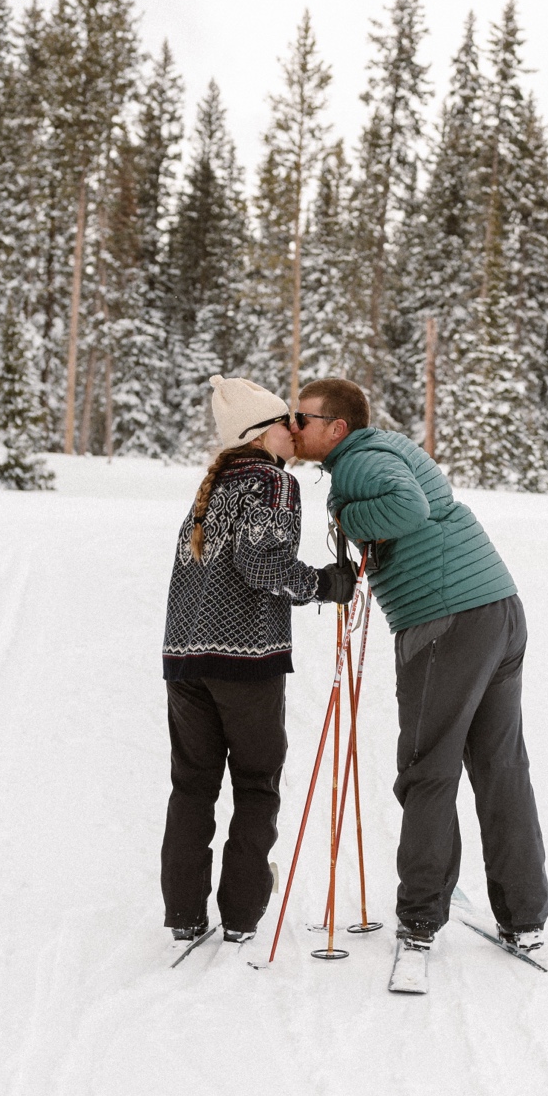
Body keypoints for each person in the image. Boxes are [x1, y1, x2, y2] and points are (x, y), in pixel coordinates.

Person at [279, 376, 548, 970]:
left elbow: (409, 507)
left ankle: (421, 919)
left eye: (302, 417)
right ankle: (524, 918)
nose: (292, 426)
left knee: (428, 770)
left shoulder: (355, 466)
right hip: (498, 608)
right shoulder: (390, 446)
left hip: (445, 621)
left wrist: (349, 518)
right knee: (501, 768)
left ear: (336, 429)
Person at [160, 376, 356, 947]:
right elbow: (262, 565)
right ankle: (243, 915)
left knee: (192, 788)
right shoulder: (272, 484)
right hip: (246, 660)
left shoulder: (212, 484)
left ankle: (184, 914)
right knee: (256, 785)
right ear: (261, 433)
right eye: (285, 421)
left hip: (185, 659)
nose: (295, 430)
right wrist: (324, 584)